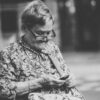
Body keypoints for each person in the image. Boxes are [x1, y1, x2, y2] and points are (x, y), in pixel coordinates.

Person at [0, 0, 85, 100]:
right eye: (40, 33)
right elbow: (3, 91)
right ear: (25, 29)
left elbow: (66, 75)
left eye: (49, 33)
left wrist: (71, 80)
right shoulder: (9, 53)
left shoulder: (52, 47)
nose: (46, 38)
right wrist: (39, 83)